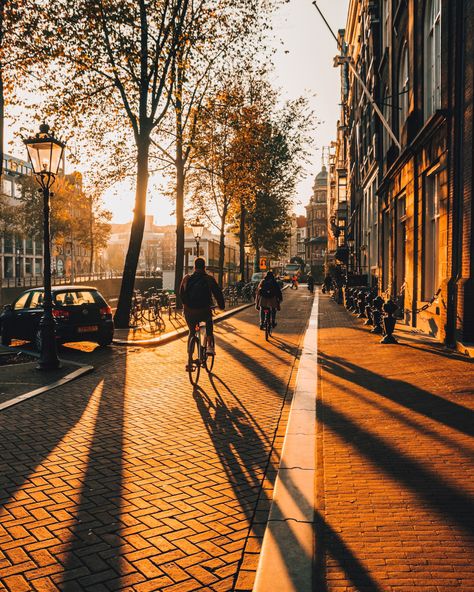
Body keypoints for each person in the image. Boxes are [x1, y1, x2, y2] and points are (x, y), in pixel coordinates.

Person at [180, 257, 225, 357]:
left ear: (194, 267)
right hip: (203, 310)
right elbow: (218, 293)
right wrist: (221, 305)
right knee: (209, 321)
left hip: (190, 312)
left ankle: (190, 358)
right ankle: (209, 346)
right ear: (204, 267)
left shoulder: (187, 278)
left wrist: (186, 306)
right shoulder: (209, 279)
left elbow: (181, 294)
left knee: (192, 331)